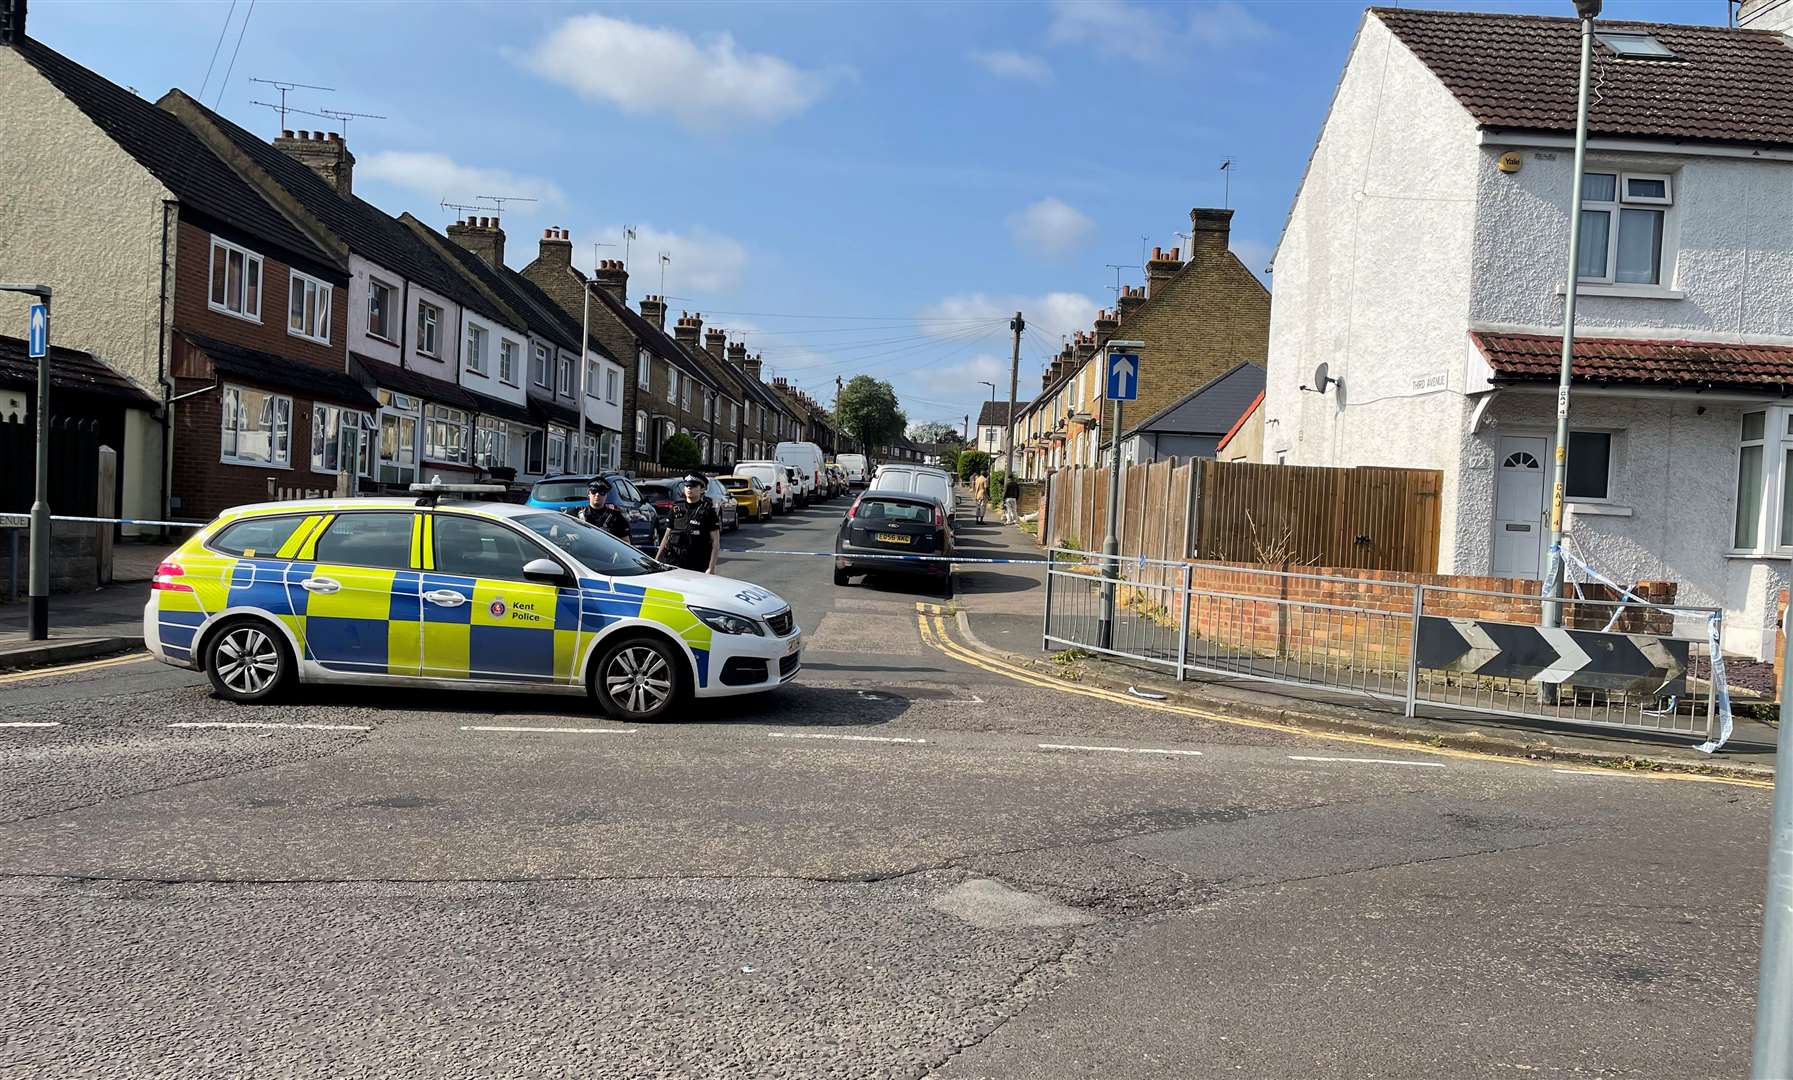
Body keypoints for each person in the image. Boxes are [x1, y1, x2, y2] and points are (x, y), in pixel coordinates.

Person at [656, 473, 721, 573]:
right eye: (687, 486)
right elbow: (666, 536)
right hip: (674, 563)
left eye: (694, 486)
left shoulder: (708, 511)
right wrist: (657, 560)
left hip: (698, 564)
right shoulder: (676, 508)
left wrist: (711, 567)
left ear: (702, 490)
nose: (689, 488)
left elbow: (715, 543)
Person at [567, 477, 632, 542]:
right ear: (588, 494)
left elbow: (626, 542)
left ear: (606, 495)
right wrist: (568, 535)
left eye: (602, 492)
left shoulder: (616, 517)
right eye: (594, 491)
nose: (597, 495)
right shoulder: (575, 513)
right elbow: (558, 531)